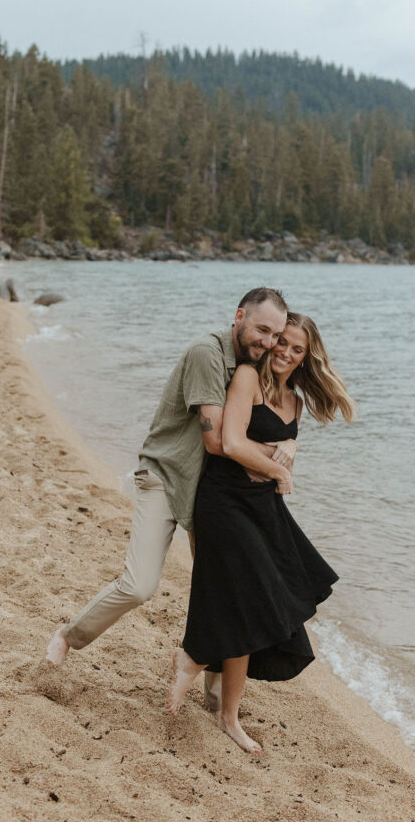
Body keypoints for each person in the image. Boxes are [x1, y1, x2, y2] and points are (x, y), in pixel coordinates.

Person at [46, 287, 296, 711]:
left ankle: (216, 699)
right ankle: (68, 636)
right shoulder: (207, 353)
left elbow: (278, 418)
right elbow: (218, 442)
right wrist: (277, 464)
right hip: (165, 477)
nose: (269, 342)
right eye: (262, 330)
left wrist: (291, 447)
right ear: (239, 316)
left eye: (275, 334)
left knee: (226, 589)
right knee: (140, 584)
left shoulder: (253, 368)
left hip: (211, 491)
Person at [166, 312, 356, 753]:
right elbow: (229, 442)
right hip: (224, 501)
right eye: (282, 342)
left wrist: (291, 446)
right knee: (251, 598)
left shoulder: (296, 401)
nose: (286, 353)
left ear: (307, 357)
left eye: (297, 349)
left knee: (255, 606)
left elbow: (278, 449)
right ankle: (193, 657)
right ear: (270, 342)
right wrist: (277, 465)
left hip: (264, 508)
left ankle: (228, 717)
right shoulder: (248, 377)